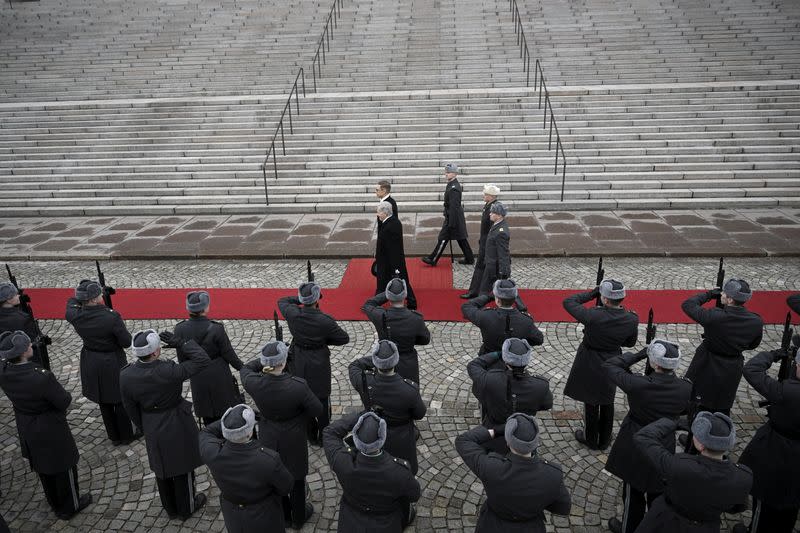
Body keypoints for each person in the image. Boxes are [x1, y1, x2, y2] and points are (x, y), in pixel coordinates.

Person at [602, 340, 693, 533]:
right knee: (657, 491)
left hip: (635, 436)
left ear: (655, 363)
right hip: (664, 439)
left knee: (633, 492)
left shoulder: (638, 384)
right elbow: (685, 409)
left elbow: (609, 364)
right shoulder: (685, 387)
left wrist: (638, 355)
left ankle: (629, 528)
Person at [0, 331, 91, 520]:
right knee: (63, 464)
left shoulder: (4, 371)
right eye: (28, 346)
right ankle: (69, 506)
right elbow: (63, 400)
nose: (31, 346)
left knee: (43, 466)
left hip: (25, 422)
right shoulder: (41, 377)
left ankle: (54, 501)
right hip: (49, 424)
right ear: (24, 352)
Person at [120, 329, 209, 520]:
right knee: (183, 465)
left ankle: (170, 508)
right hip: (175, 420)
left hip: (151, 421)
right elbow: (202, 360)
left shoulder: (126, 375)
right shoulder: (168, 370)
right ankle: (186, 508)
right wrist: (182, 343)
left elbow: (130, 407)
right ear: (154, 353)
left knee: (161, 466)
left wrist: (144, 425)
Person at [240, 340, 321, 529]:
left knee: (275, 476)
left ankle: (284, 516)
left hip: (268, 432)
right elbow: (316, 409)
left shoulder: (253, 382)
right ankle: (299, 517)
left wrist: (264, 362)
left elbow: (245, 368)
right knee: (298, 478)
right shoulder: (298, 386)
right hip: (294, 436)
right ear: (284, 362)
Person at [633, 413, 752, 532]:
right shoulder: (743, 477)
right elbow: (735, 507)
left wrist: (673, 422)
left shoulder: (679, 466)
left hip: (664, 522)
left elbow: (643, 437)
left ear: (700, 445)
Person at [455, 413, 572, 532]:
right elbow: (563, 507)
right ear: (535, 442)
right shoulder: (552, 474)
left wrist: (496, 431)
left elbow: (463, 441)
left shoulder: (492, 467)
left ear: (508, 442)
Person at [563, 279, 638, 450]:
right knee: (607, 398)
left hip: (589, 358)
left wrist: (592, 293)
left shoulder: (593, 315)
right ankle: (604, 439)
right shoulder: (631, 318)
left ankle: (590, 438)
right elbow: (629, 343)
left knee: (590, 400)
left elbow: (568, 302)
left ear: (604, 299)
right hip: (613, 359)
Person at [199, 404, 294, 533]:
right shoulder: (268, 459)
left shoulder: (211, 453)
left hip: (232, 515)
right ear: (249, 433)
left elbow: (206, 432)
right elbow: (286, 486)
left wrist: (229, 422)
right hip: (264, 515)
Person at [65, 279, 139, 445]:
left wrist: (85, 290)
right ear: (92, 299)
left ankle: (113, 436)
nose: (101, 297)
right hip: (111, 360)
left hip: (91, 358)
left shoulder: (74, 314)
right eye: (98, 295)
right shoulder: (110, 317)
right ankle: (126, 435)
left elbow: (71, 301)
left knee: (103, 399)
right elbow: (126, 342)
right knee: (119, 398)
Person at [323, 411, 421, 532]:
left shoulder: (343, 463)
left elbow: (329, 432)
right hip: (386, 524)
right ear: (383, 437)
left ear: (356, 437)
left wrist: (359, 416)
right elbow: (414, 495)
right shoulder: (399, 471)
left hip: (351, 522)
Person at [737, 348, 800, 533]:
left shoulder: (786, 392)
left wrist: (772, 355)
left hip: (775, 453)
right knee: (791, 507)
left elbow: (752, 370)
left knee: (763, 508)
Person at [278, 282, 350, 445]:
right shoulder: (324, 320)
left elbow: (282, 301)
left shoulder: (292, 313)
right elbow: (343, 338)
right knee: (322, 397)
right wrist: (324, 340)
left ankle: (310, 433)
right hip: (318, 359)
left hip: (299, 357)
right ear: (317, 299)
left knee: (303, 396)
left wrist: (300, 298)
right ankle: (324, 435)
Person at [681, 279, 763, 418]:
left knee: (698, 400)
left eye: (724, 293)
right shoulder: (756, 321)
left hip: (707, 361)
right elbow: (753, 344)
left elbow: (688, 304)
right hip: (733, 365)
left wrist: (709, 294)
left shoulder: (715, 316)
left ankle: (694, 433)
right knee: (722, 401)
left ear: (730, 300)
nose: (721, 294)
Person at [347, 340, 427, 473]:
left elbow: (354, 365)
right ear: (396, 361)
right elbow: (420, 414)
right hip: (401, 437)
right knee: (404, 472)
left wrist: (378, 360)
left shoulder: (365, 381)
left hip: (371, 432)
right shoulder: (409, 389)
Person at [466, 338, 553, 453]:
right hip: (523, 434)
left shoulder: (490, 379)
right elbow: (547, 404)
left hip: (493, 434)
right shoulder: (541, 385)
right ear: (526, 361)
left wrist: (497, 354)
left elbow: (473, 365)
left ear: (506, 360)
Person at [173, 291, 244, 426]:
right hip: (219, 373)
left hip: (197, 374)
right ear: (205, 308)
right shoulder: (216, 328)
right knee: (226, 410)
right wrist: (244, 368)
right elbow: (229, 354)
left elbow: (182, 359)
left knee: (206, 413)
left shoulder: (180, 329)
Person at [361, 278, 430, 383]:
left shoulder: (380, 315)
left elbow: (368, 304)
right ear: (405, 295)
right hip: (408, 364)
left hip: (385, 360)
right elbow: (425, 340)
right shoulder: (416, 318)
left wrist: (388, 293)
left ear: (389, 297)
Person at [462, 279, 543, 355]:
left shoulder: (485, 316)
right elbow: (538, 339)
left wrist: (488, 297)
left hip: (488, 359)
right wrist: (520, 342)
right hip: (514, 360)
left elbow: (466, 306)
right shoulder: (526, 320)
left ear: (497, 300)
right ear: (514, 298)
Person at [422, 163, 473, 266]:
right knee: (461, 238)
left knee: (443, 238)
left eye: (448, 172)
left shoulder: (454, 188)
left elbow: (454, 207)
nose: (446, 174)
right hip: (453, 217)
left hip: (453, 217)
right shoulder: (451, 184)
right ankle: (469, 258)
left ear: (454, 174)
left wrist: (451, 223)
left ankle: (433, 259)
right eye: (446, 172)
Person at [374, 201, 417, 310]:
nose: (377, 214)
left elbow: (390, 247)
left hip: (391, 261)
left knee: (401, 280)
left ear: (385, 212)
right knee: (383, 282)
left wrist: (393, 265)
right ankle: (376, 302)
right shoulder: (391, 222)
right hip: (390, 260)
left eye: (378, 212)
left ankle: (412, 301)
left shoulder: (390, 225)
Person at [461, 184, 500, 299]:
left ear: (491, 196)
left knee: (482, 266)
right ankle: (488, 291)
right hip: (485, 241)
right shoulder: (488, 206)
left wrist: (487, 242)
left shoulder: (493, 209)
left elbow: (493, 228)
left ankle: (476, 291)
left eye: (486, 194)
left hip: (488, 243)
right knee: (485, 266)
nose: (484, 195)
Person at [0, 282, 47, 368]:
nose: (18, 296)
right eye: (15, 295)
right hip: (24, 356)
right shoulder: (22, 319)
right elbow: (33, 340)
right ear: (9, 300)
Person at [477, 202, 511, 295]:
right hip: (491, 263)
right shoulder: (497, 224)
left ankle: (480, 306)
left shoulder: (501, 232)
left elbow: (503, 253)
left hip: (494, 267)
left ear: (499, 215)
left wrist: (503, 272)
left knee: (485, 290)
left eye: (493, 212)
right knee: (497, 290)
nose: (490, 214)